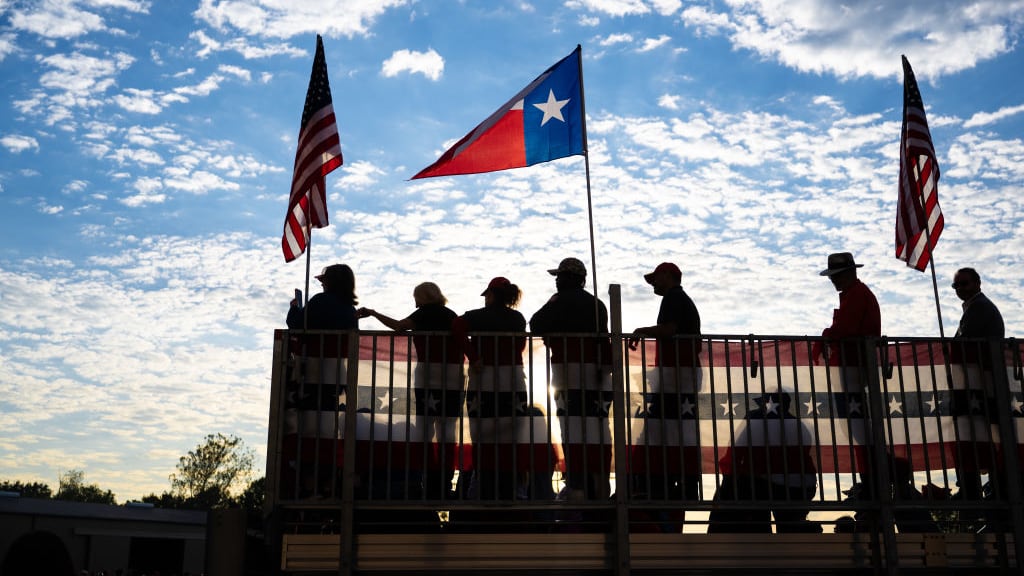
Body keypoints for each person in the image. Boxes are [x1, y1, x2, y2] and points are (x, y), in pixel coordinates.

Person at [358, 282, 466, 499]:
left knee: (426, 430)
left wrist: (373, 313)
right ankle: (444, 483)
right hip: (453, 377)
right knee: (448, 431)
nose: (414, 301)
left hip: (428, 377)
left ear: (423, 297)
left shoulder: (423, 313)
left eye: (415, 297)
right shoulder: (450, 314)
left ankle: (426, 481)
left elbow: (398, 326)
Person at [529, 257, 613, 502]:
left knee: (572, 430)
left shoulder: (559, 301)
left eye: (559, 276)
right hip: (597, 377)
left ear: (568, 278)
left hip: (569, 374)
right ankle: (599, 486)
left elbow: (535, 324)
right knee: (599, 431)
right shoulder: (597, 304)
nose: (556, 281)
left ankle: (577, 487)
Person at [628, 262, 703, 532]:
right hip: (679, 378)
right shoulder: (679, 298)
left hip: (676, 380)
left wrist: (642, 331)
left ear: (669, 276)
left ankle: (661, 480)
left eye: (655, 279)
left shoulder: (674, 297)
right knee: (671, 433)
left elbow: (669, 330)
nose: (652, 285)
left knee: (662, 431)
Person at [283, 263, 359, 498]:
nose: (321, 283)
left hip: (314, 374)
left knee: (309, 432)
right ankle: (327, 485)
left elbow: (296, 325)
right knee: (329, 429)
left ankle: (310, 487)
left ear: (331, 281)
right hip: (338, 376)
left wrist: (295, 308)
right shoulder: (349, 309)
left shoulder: (320, 302)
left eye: (324, 279)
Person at [453, 277, 528, 503]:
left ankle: (484, 499)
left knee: (483, 442)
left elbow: (456, 326)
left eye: (487, 295)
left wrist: (473, 356)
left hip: (482, 383)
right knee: (509, 443)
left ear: (492, 295)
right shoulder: (517, 318)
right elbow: (521, 345)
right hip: (513, 383)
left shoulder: (477, 316)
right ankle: (507, 499)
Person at [812, 252, 881, 496]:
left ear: (851, 272)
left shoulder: (857, 295)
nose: (834, 280)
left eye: (837, 275)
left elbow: (845, 328)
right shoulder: (854, 294)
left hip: (855, 367)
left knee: (860, 428)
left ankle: (872, 480)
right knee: (857, 428)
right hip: (852, 367)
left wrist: (826, 335)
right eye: (832, 276)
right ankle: (869, 479)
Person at [708, 391, 818, 533]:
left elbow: (735, 451)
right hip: (800, 486)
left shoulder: (754, 418)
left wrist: (728, 479)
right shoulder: (799, 425)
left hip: (762, 486)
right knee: (790, 530)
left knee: (757, 520)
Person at [948, 267, 1006, 502]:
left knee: (979, 434)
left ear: (977, 283)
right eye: (956, 286)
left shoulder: (980, 307)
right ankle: (979, 488)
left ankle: (977, 490)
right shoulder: (973, 307)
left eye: (964, 284)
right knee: (977, 434)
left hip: (984, 384)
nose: (960, 289)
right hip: (978, 383)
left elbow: (964, 342)